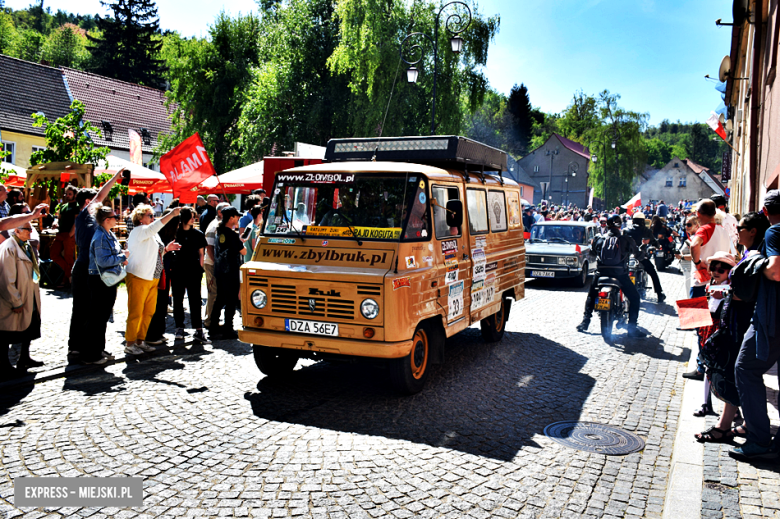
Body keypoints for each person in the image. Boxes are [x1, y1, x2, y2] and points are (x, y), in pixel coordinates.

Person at [731, 190, 780, 460]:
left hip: (772, 316)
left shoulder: (775, 232)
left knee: (745, 368)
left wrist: (754, 262)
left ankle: (759, 439)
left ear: (765, 210)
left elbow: (775, 270)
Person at [68, 171, 122, 360]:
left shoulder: (95, 223)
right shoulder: (84, 216)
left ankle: (93, 347)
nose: (100, 204)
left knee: (95, 310)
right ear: (87, 203)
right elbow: (100, 195)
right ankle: (77, 347)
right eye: (95, 202)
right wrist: (115, 178)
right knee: (83, 309)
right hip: (85, 268)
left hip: (94, 269)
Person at [682, 199, 732, 381]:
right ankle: (709, 366)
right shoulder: (723, 231)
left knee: (699, 329)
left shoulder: (704, 229)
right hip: (720, 284)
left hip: (701, 283)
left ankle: (701, 367)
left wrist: (697, 262)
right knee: (713, 328)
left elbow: (695, 245)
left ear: (699, 214)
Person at [576, 214, 647, 337]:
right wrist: (642, 254)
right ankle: (632, 328)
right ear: (620, 226)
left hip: (601, 273)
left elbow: (592, 254)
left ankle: (585, 321)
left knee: (591, 296)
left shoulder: (599, 238)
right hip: (620, 274)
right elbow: (638, 255)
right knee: (635, 297)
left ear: (607, 225)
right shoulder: (626, 239)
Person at [124, 204, 182, 355]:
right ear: (140, 218)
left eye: (152, 215)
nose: (153, 217)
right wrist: (171, 215)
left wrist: (167, 249)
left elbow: (155, 252)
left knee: (148, 312)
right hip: (138, 276)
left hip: (152, 277)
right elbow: (154, 227)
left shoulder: (151, 233)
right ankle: (130, 343)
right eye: (149, 215)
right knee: (136, 312)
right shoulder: (139, 230)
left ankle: (140, 340)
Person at [85, 205, 128, 365]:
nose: (117, 218)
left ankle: (98, 349)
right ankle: (91, 354)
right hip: (100, 281)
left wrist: (120, 256)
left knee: (102, 317)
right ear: (107, 220)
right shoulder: (101, 237)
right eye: (115, 216)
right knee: (97, 317)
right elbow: (103, 261)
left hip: (107, 280)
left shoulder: (108, 234)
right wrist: (122, 257)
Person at [0, 222, 42, 380]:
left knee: (29, 326)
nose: (31, 232)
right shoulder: (9, 247)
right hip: (15, 297)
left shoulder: (24, 245)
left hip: (28, 293)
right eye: (28, 229)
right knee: (7, 332)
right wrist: (15, 301)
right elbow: (6, 279)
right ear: (16, 230)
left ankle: (24, 358)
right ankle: (4, 365)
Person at [172, 207, 210, 343]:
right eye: (191, 216)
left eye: (195, 216)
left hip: (194, 270)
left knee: (195, 300)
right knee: (178, 300)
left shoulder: (198, 234)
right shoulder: (175, 233)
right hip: (178, 270)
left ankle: (198, 330)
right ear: (184, 218)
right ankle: (179, 327)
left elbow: (202, 253)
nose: (194, 219)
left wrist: (200, 267)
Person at [208, 207, 245, 340]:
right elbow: (244, 251)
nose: (238, 219)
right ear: (231, 218)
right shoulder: (232, 235)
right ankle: (228, 328)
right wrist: (241, 242)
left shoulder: (220, 231)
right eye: (236, 217)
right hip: (231, 271)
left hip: (220, 270)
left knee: (220, 299)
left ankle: (213, 327)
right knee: (230, 301)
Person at [624, 213, 666, 302]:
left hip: (626, 258)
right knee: (653, 273)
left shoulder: (626, 230)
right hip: (641, 257)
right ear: (642, 221)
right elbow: (654, 241)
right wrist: (658, 246)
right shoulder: (646, 230)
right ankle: (659, 294)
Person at [203, 202, 230, 328]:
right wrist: (216, 263)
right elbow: (208, 246)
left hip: (215, 264)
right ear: (220, 213)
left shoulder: (219, 225)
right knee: (213, 293)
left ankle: (212, 319)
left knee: (216, 293)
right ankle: (209, 321)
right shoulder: (214, 225)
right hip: (211, 264)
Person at [49, 185, 79, 288]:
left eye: (70, 194)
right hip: (60, 233)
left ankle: (65, 281)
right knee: (53, 254)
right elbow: (58, 218)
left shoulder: (77, 206)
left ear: (75, 195)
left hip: (69, 234)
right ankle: (71, 276)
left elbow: (76, 221)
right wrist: (55, 222)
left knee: (68, 258)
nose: (67, 196)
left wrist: (71, 234)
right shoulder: (63, 206)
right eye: (66, 193)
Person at [676, 215, 699, 297]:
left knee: (690, 296)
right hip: (688, 270)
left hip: (691, 271)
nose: (686, 227)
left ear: (696, 225)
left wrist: (681, 257)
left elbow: (695, 255)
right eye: (685, 225)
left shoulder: (694, 239)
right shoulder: (691, 238)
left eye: (689, 225)